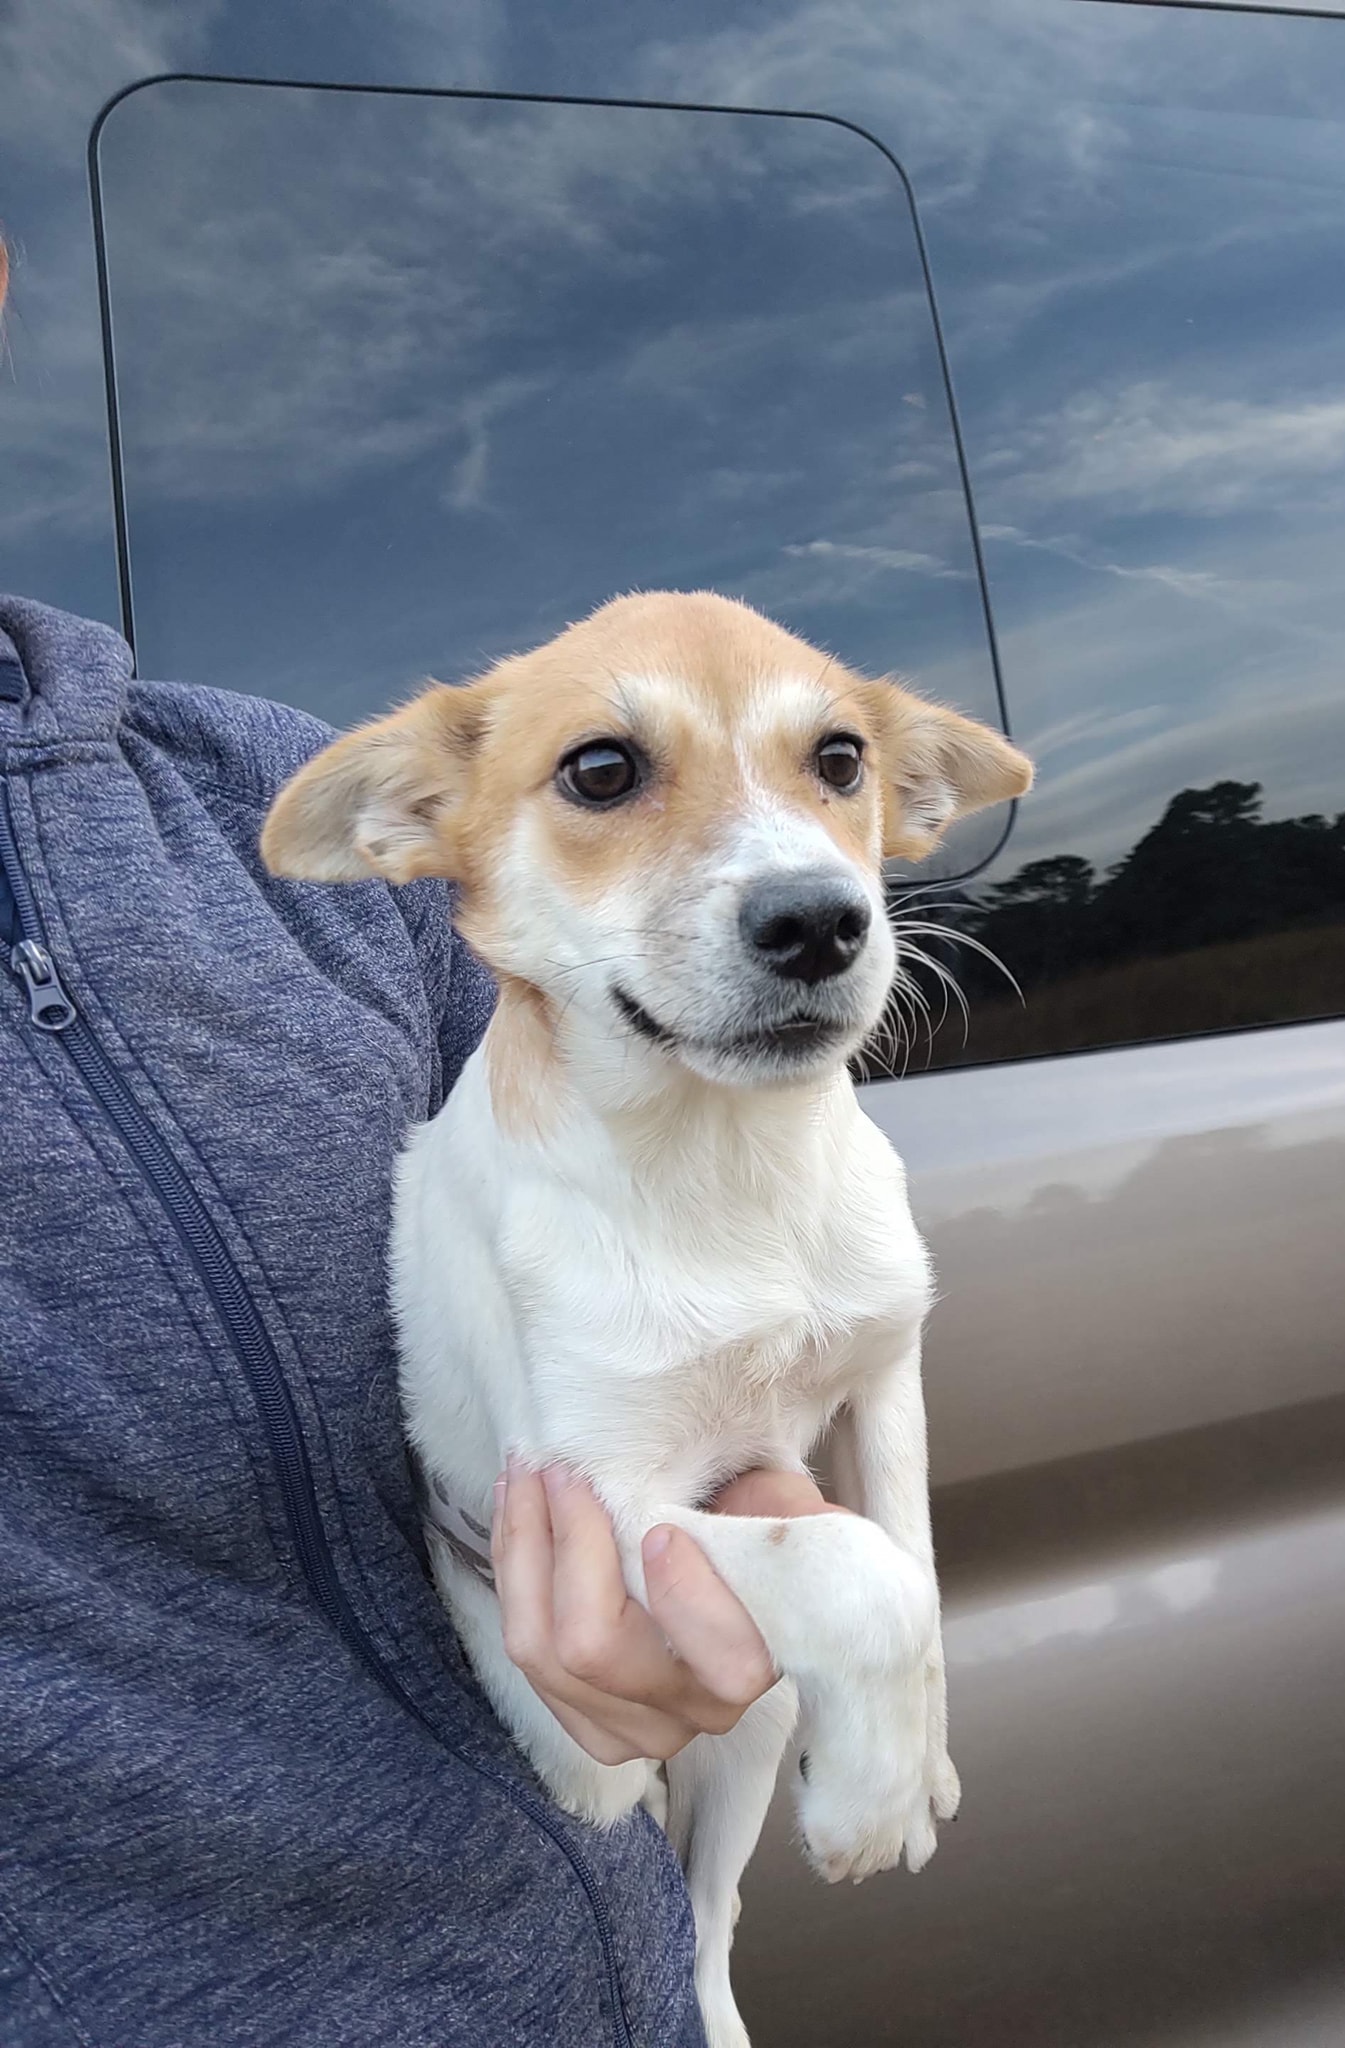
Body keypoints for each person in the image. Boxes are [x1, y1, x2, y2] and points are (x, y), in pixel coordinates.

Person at [0, 238, 840, 2048]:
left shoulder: (272, 800)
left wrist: (738, 1514)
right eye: (611, 777)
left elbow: (675, 1224)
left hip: (611, 1982)